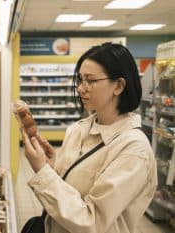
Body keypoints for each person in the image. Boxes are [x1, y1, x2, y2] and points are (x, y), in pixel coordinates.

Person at [21, 42, 157, 233]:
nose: (81, 88)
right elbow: (69, 192)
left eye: (90, 81)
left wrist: (42, 171)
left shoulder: (134, 150)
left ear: (118, 86)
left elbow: (91, 221)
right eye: (80, 80)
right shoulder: (78, 129)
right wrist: (52, 168)